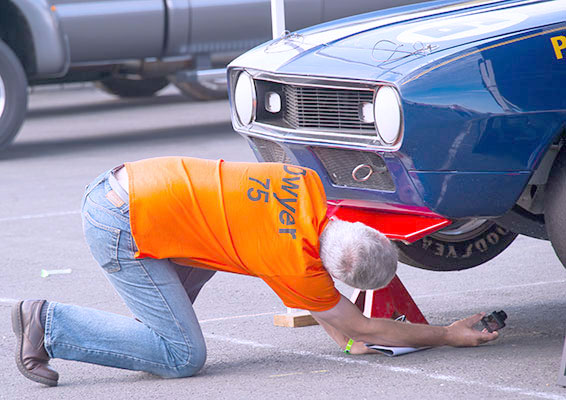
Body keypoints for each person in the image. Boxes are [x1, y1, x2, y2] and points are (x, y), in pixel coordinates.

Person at [12, 156, 499, 387]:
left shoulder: (307, 185)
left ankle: (150, 330)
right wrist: (446, 335)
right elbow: (362, 325)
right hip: (119, 222)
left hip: (131, 182)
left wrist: (332, 321)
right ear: (339, 277)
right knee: (182, 356)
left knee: (216, 256)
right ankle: (50, 323)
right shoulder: (295, 265)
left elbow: (329, 310)